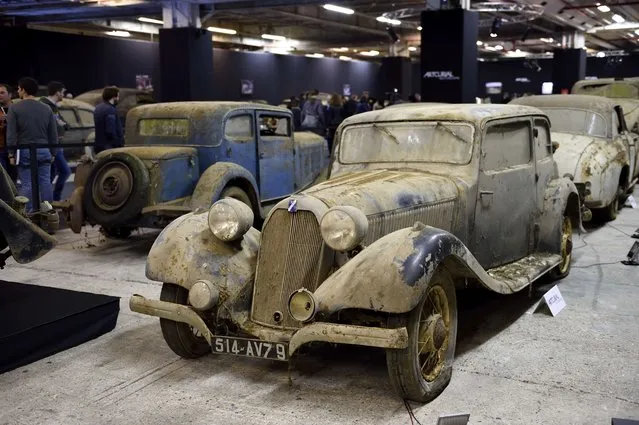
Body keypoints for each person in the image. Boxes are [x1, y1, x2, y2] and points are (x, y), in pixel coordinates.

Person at [6, 77, 57, 211]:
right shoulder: (46, 108)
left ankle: (29, 216)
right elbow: (53, 134)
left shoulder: (14, 108)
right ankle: (49, 214)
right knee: (45, 182)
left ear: (23, 89)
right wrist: (53, 152)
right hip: (44, 150)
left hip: (25, 150)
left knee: (27, 184)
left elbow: (11, 134)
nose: (18, 91)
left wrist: (11, 153)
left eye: (18, 88)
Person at [40, 81, 70, 201]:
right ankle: (55, 198)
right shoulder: (45, 106)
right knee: (65, 171)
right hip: (52, 145)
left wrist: (63, 126)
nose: (63, 95)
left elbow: (63, 123)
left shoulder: (53, 107)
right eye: (63, 92)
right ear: (58, 92)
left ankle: (46, 199)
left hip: (56, 145)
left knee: (51, 173)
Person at [94, 86, 124, 154]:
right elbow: (110, 131)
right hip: (109, 147)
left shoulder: (98, 108)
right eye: (118, 96)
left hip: (99, 145)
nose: (118, 99)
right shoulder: (110, 109)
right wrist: (118, 143)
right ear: (114, 97)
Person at [0, 83, 16, 181]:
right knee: (3, 180)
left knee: (13, 178)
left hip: (15, 149)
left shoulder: (17, 109)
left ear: (10, 95)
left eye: (2, 92)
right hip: (0, 149)